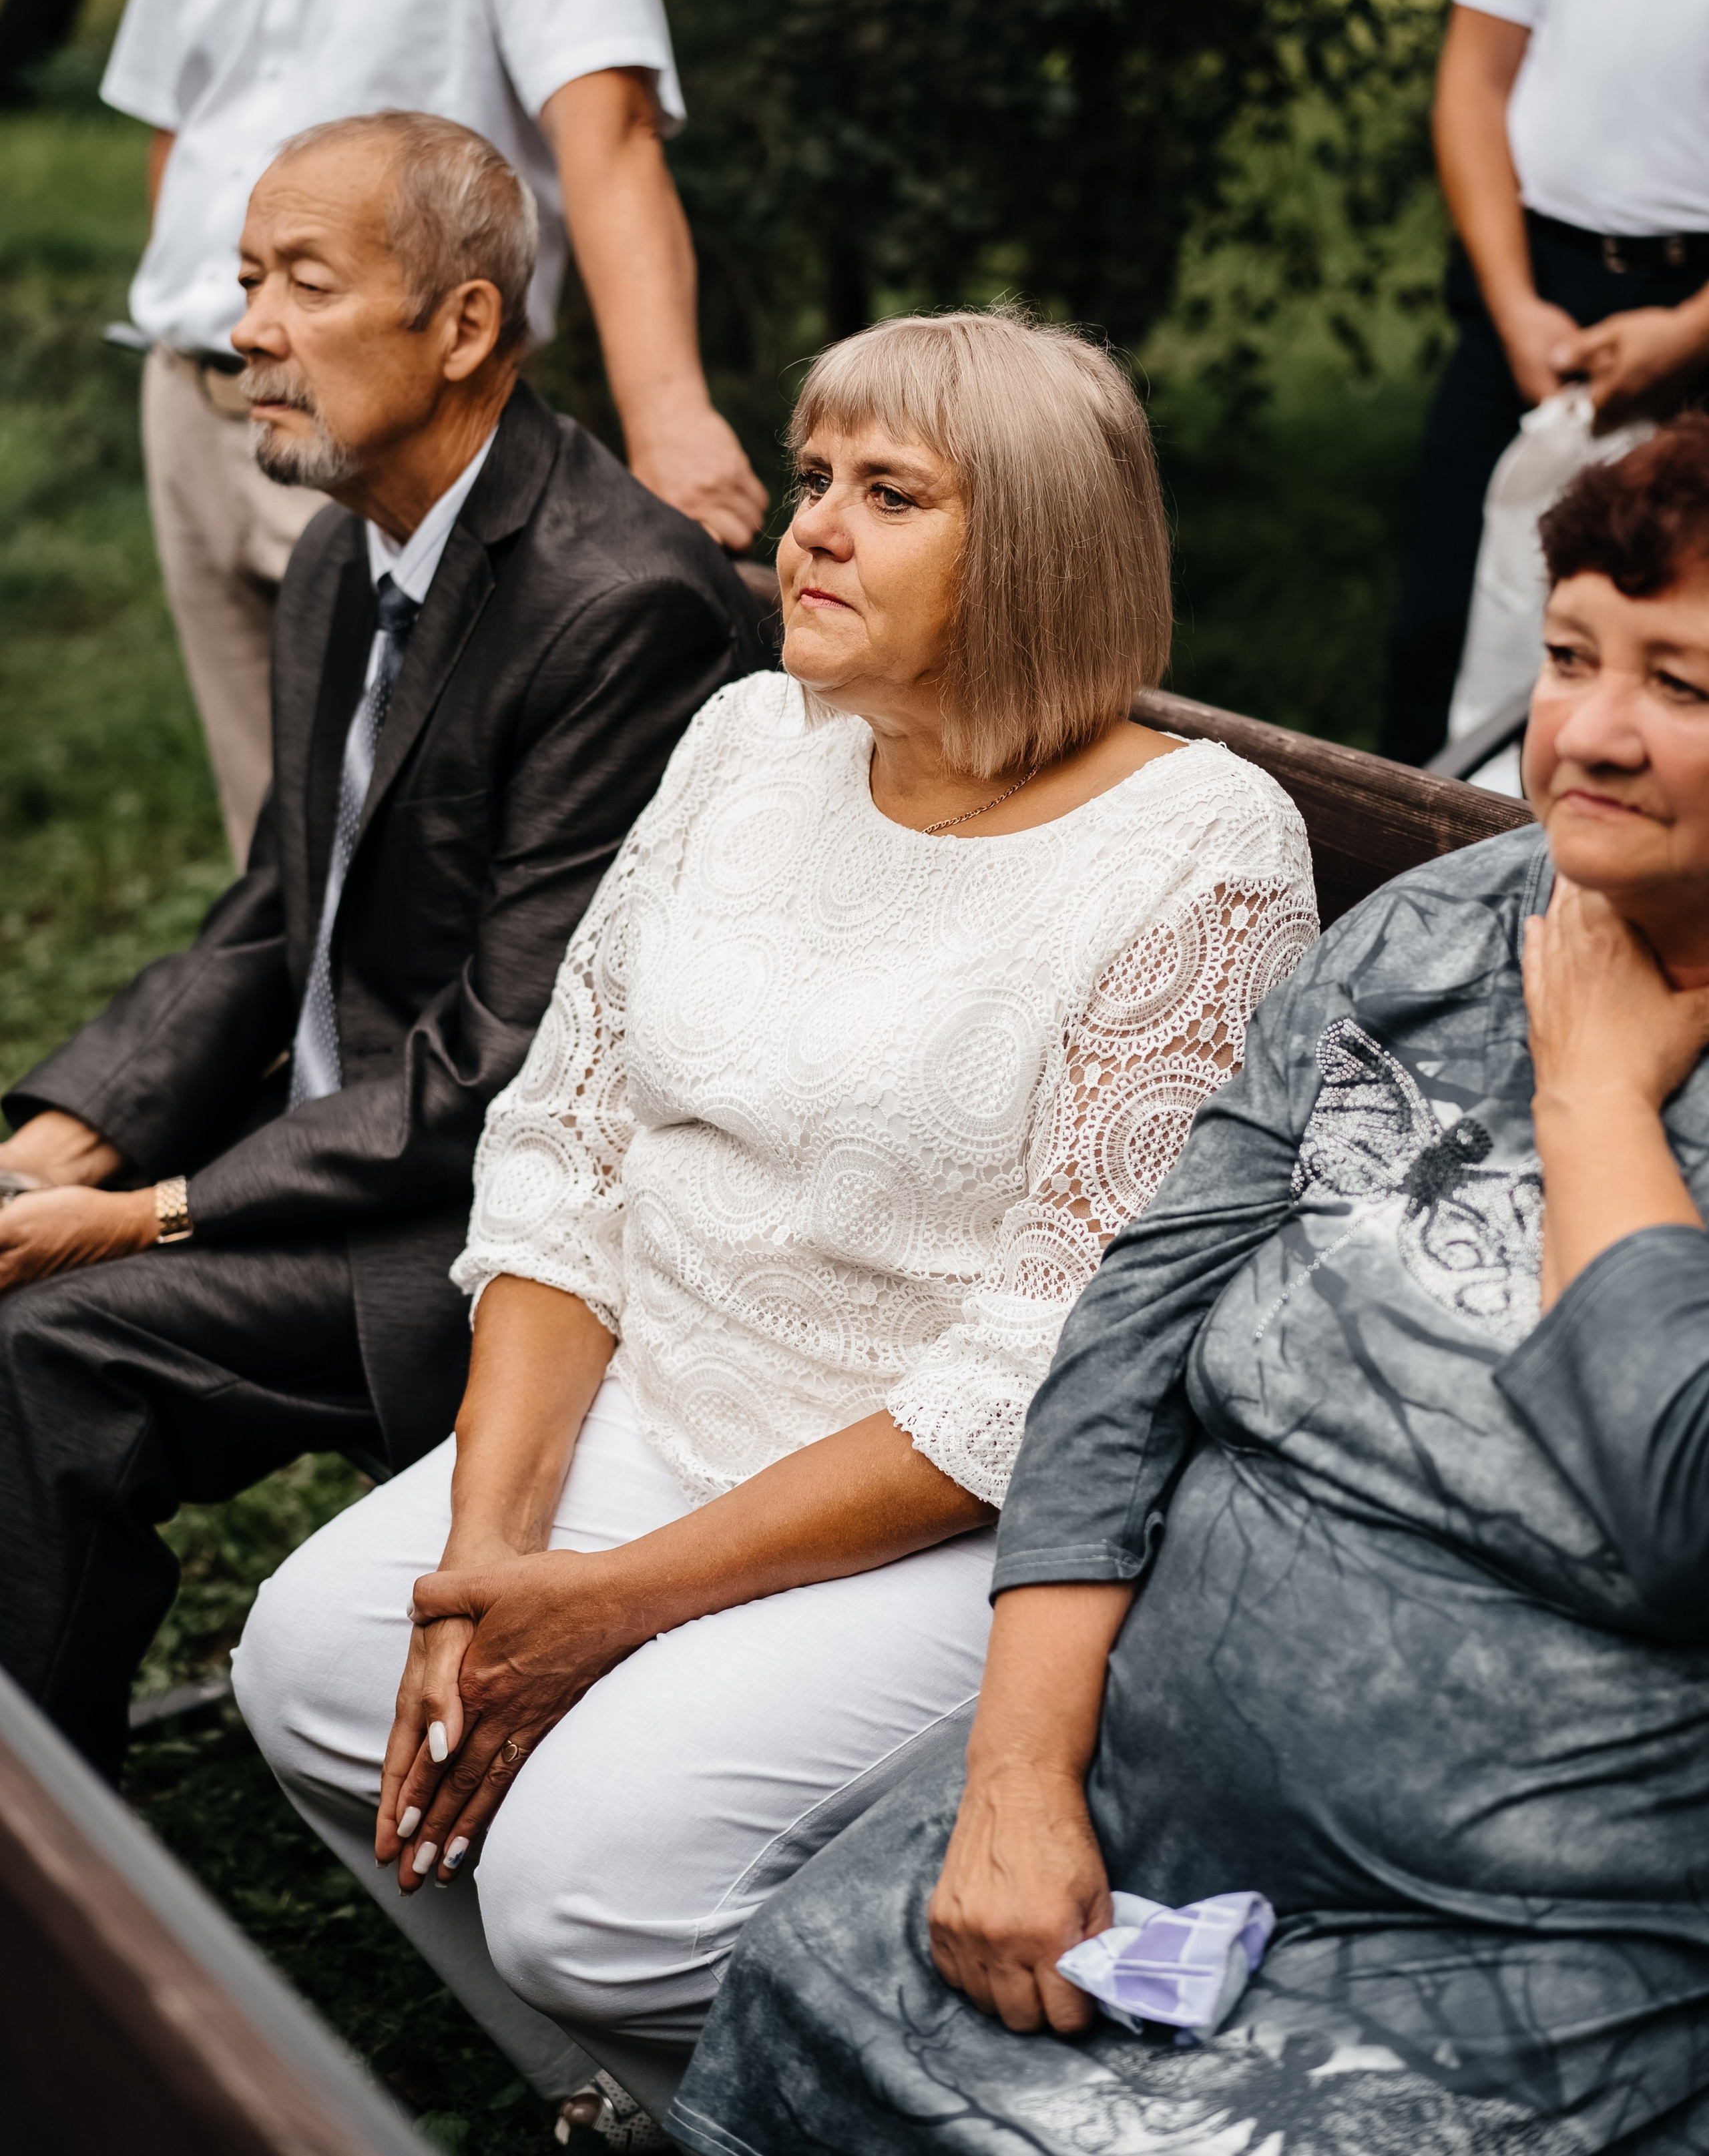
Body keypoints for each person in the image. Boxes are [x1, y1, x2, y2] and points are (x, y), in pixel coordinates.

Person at [232, 308, 1319, 2129]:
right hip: (667, 1403)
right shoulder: (750, 741)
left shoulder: (1200, 855)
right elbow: (570, 1153)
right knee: (319, 1679)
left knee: (591, 1898)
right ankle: (650, 2100)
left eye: (889, 493)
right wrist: (492, 1571)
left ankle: (887, 2082)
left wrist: (602, 1610)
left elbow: (1033, 1376)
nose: (809, 524)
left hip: (953, 1518)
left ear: (1038, 548)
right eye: (815, 477)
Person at [676, 409, 1709, 2156]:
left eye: (1681, 684)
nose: (1589, 734)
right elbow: (1125, 1343)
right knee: (815, 1985)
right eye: (1569, 659)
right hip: (1140, 1804)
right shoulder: (1442, 933)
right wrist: (1016, 1788)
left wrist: (1596, 1098)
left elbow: (1681, 1504)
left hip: (1527, 1938)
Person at [0, 110, 762, 1791]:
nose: (244, 328)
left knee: (45, 1345)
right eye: (247, 277)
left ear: (465, 327)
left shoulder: (618, 605)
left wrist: (145, 1212)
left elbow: (504, 1063)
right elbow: (278, 909)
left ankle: (52, 1878)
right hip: (347, 1144)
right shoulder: (347, 540)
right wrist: (60, 1139)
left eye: (301, 283)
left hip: (494, 1233)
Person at [104, 0, 766, 862]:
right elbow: (179, 130)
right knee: (275, 850)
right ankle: (284, 1062)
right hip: (193, 405)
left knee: (411, 866)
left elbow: (609, 138)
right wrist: (218, 318)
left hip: (394, 428)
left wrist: (670, 419)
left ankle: (397, 1070)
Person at [1382, 0, 1709, 767]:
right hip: (1537, 291)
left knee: (1677, 676)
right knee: (1444, 647)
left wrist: (1685, 333)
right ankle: (1414, 937)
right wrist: (1516, 303)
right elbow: (1474, 79)